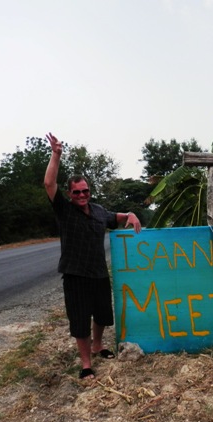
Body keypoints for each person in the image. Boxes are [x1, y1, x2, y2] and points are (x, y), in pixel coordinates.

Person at [44, 132, 142, 380]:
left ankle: (98, 346)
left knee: (102, 315)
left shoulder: (98, 210)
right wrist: (56, 155)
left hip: (99, 273)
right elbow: (49, 184)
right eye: (76, 192)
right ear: (69, 194)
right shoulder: (64, 210)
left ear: (89, 191)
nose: (81, 195)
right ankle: (86, 364)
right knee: (80, 320)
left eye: (85, 191)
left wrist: (130, 214)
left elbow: (114, 217)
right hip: (75, 275)